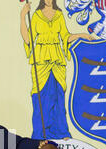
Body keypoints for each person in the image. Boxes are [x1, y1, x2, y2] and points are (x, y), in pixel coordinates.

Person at [20, 0, 92, 140]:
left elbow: (65, 36)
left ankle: (61, 132)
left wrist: (80, 35)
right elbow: (28, 39)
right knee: (41, 96)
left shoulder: (59, 15)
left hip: (57, 59)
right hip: (41, 61)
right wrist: (22, 17)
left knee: (58, 95)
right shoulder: (36, 16)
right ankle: (41, 133)